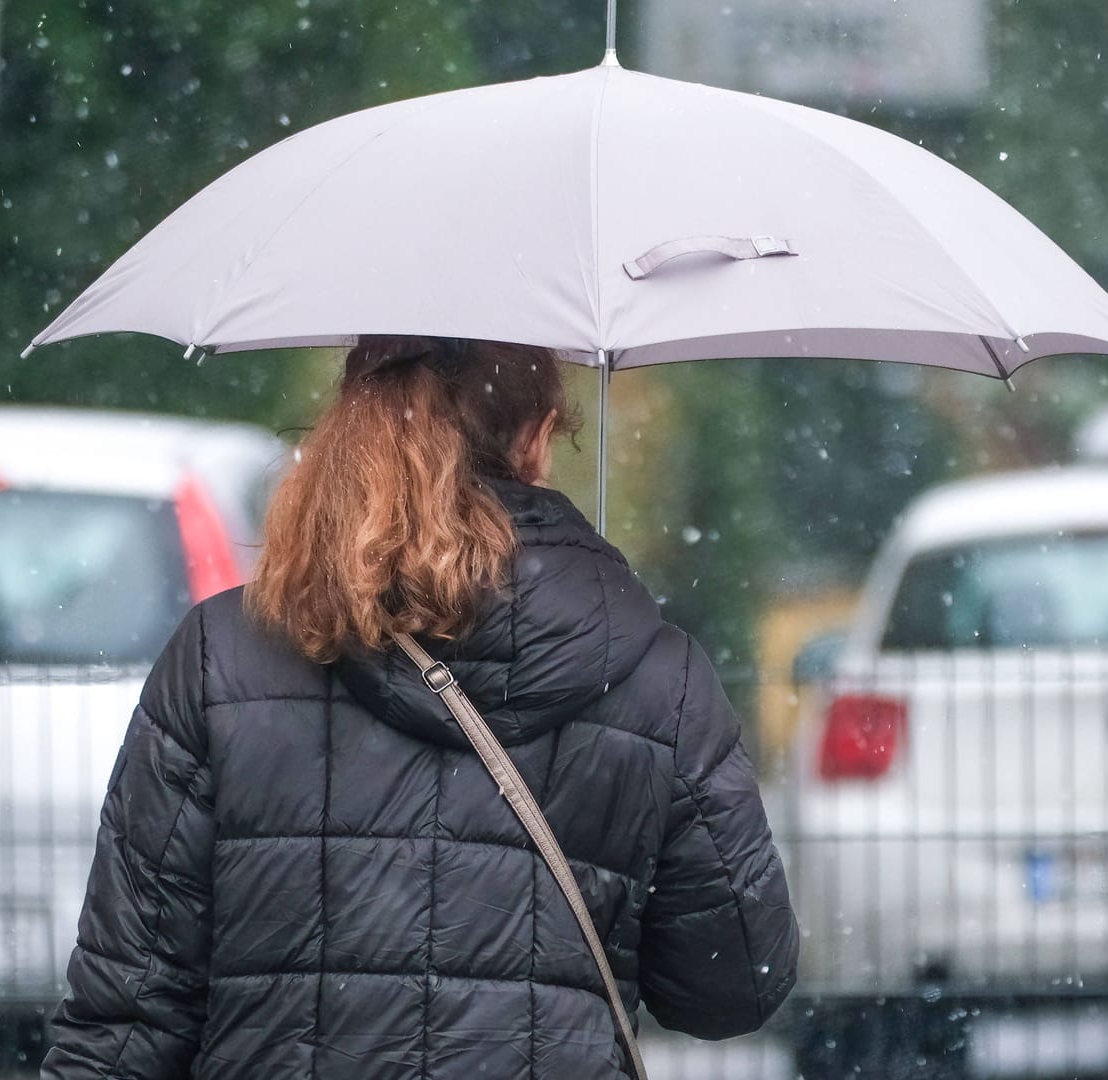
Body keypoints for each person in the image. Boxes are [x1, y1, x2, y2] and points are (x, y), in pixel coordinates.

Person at [43, 336, 798, 1079]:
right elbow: (732, 988)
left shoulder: (224, 656)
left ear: (352, 424)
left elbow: (127, 1018)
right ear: (536, 438)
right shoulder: (660, 678)